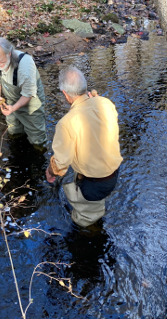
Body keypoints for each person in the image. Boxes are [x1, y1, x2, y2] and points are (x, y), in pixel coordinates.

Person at [46, 66, 122, 227]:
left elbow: (61, 164)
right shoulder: (105, 103)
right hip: (113, 173)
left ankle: (91, 232)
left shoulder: (66, 123)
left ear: (65, 94)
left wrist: (50, 171)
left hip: (94, 184)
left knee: (85, 221)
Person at [0, 37, 47, 150]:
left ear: (9, 53)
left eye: (1, 61)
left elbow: (28, 94)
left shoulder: (25, 65)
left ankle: (39, 157)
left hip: (31, 106)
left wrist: (13, 108)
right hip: (11, 102)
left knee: (37, 140)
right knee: (14, 132)